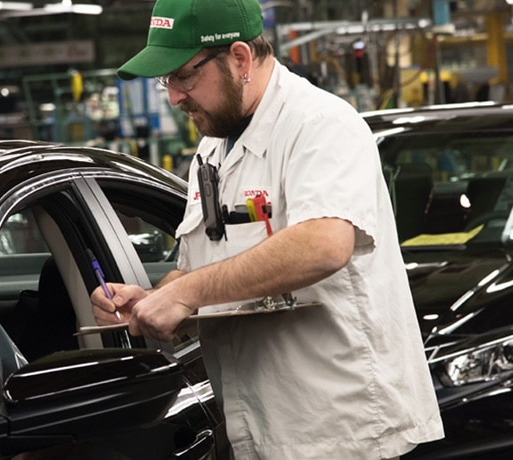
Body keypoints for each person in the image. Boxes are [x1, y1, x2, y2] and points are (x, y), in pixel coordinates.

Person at [91, 0, 444, 458]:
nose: (174, 96)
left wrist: (185, 294)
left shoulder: (319, 125)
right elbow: (206, 270)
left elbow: (323, 244)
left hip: (338, 432)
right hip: (258, 428)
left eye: (183, 76)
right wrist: (155, 300)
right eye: (167, 81)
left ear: (239, 59)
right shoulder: (212, 150)